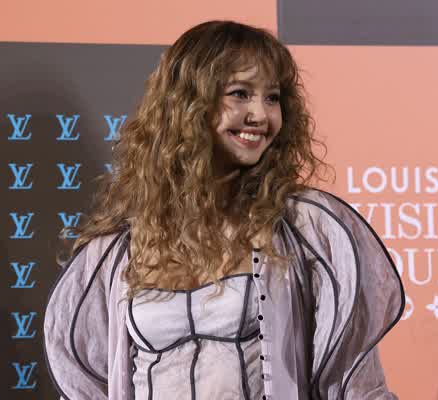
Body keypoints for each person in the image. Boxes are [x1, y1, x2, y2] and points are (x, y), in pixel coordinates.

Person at [43, 20, 405, 400]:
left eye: (272, 98)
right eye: (240, 94)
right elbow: (86, 386)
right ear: (187, 104)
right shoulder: (118, 250)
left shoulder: (306, 227)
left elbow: (357, 383)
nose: (261, 115)